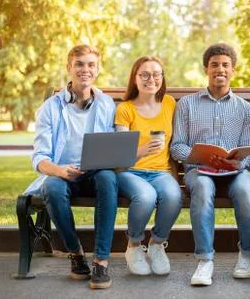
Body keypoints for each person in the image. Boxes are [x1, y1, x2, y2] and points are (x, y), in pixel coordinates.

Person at [24, 45, 118, 289]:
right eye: (79, 64)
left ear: (97, 70)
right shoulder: (50, 108)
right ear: (69, 68)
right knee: (52, 189)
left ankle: (101, 260)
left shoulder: (106, 104)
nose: (84, 69)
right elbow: (40, 159)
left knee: (108, 179)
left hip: (96, 172)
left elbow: (112, 145)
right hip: (61, 173)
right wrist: (61, 170)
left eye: (90, 65)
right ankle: (76, 253)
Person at [170, 43, 250, 286]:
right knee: (203, 188)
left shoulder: (246, 110)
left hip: (234, 171)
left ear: (233, 70)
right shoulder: (186, 105)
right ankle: (205, 260)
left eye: (225, 65)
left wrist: (236, 162)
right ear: (205, 69)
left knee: (244, 191)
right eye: (214, 65)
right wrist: (202, 157)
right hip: (199, 170)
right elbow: (177, 146)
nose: (220, 69)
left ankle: (247, 254)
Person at [115, 56, 182, 276]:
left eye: (156, 74)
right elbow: (121, 155)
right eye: (144, 74)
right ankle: (133, 246)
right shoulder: (126, 109)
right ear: (135, 78)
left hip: (160, 172)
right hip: (130, 171)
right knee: (145, 196)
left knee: (173, 196)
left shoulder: (170, 104)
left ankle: (156, 244)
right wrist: (142, 151)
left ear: (162, 78)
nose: (150, 79)